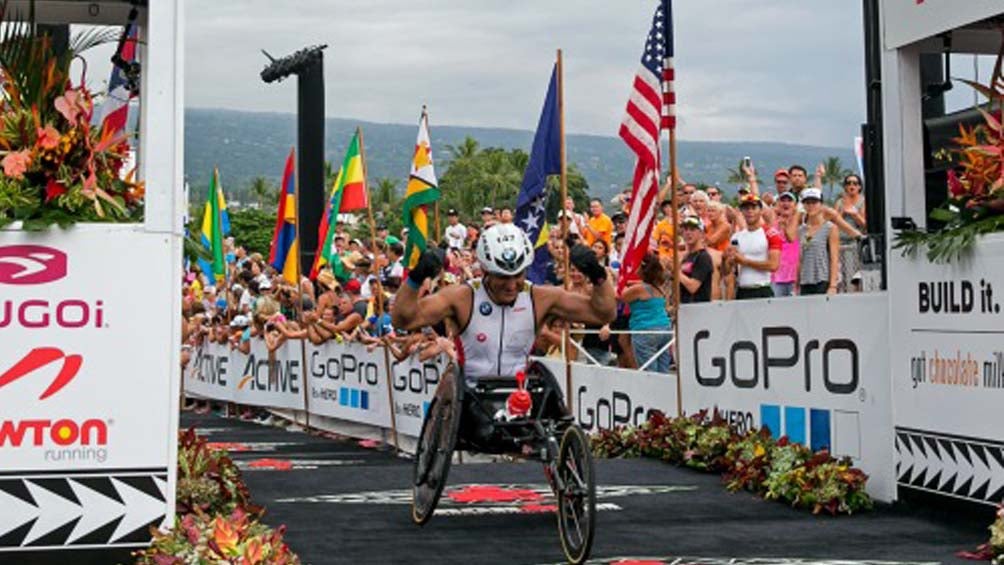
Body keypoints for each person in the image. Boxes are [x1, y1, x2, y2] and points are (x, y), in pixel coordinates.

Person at [391, 222, 616, 381]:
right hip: (469, 394)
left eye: (517, 276)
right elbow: (403, 319)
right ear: (485, 271)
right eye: (502, 277)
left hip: (520, 393)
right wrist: (416, 278)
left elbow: (603, 313)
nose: (511, 285)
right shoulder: (461, 297)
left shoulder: (541, 297)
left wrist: (597, 274)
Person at [620, 252, 672, 373]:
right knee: (663, 370)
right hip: (665, 329)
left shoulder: (638, 289)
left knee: (649, 371)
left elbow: (621, 296)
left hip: (646, 330)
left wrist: (622, 281)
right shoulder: (658, 287)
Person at [726, 193, 782, 300]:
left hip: (762, 288)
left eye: (753, 208)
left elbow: (773, 265)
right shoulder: (736, 237)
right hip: (742, 289)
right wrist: (727, 260)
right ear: (741, 212)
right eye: (746, 208)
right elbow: (727, 270)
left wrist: (745, 261)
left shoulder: (771, 234)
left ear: (761, 211)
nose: (750, 211)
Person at [795, 188, 839, 295]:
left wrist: (833, 285)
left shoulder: (830, 228)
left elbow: (834, 258)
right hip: (805, 280)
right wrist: (797, 283)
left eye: (814, 202)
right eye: (807, 203)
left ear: (821, 204)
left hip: (822, 279)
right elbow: (800, 258)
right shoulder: (801, 230)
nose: (811, 206)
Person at [833, 174, 867, 292]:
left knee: (853, 277)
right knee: (840, 278)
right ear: (845, 187)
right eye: (848, 183)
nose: (851, 186)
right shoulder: (839, 202)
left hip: (855, 244)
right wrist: (843, 211)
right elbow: (834, 222)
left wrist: (854, 214)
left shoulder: (863, 201)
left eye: (855, 183)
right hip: (839, 244)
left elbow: (865, 225)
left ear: (859, 187)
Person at [771, 191, 800, 297]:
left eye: (789, 201)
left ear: (795, 205)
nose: (786, 203)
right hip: (776, 278)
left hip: (795, 278)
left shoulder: (800, 223)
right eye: (783, 200)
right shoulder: (772, 225)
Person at [679, 216, 714, 303]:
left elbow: (693, 287)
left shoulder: (703, 257)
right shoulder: (686, 257)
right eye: (685, 229)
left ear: (701, 233)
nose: (688, 233)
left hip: (699, 307)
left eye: (692, 229)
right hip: (685, 306)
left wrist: (675, 272)